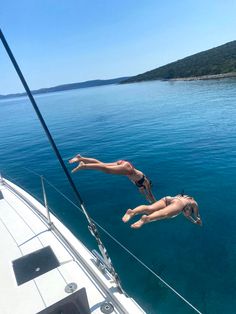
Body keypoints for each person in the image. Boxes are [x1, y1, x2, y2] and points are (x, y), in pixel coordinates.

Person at [69, 154, 156, 203]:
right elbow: (150, 194)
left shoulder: (140, 186)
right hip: (127, 168)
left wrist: (147, 199)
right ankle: (84, 166)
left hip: (124, 164)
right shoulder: (146, 182)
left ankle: (81, 158)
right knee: (107, 170)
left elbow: (143, 192)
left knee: (102, 164)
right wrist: (155, 203)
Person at [122, 194, 202, 228]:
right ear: (190, 209)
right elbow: (197, 215)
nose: (187, 214)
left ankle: (132, 212)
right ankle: (146, 219)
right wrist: (198, 220)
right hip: (178, 203)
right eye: (189, 212)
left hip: (168, 199)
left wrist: (194, 222)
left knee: (149, 208)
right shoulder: (194, 204)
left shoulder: (185, 197)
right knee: (164, 213)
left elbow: (188, 216)